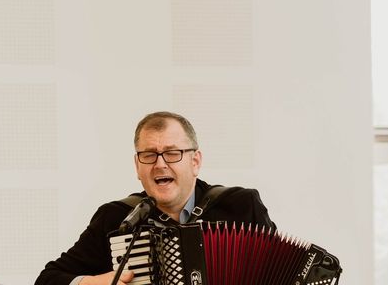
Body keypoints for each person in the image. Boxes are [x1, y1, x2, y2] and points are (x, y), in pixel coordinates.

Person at [35, 111, 276, 285]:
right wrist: (97, 283)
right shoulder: (117, 218)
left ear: (195, 162)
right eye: (149, 155)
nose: (160, 164)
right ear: (137, 165)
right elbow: (48, 279)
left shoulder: (241, 206)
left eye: (172, 153)